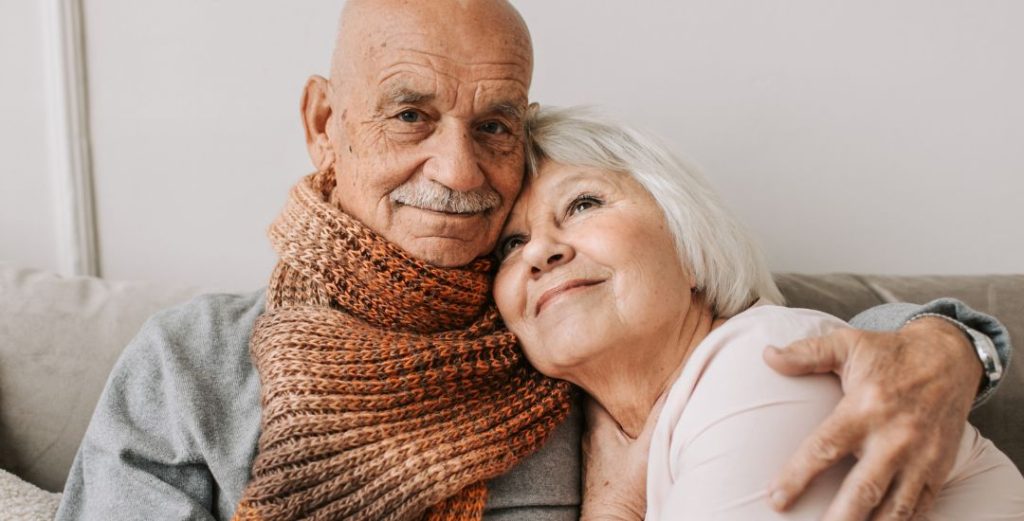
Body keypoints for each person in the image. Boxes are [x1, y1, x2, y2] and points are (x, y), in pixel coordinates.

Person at [55, 1, 1012, 520]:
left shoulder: (556, 333)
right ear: (322, 124)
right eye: (410, 114)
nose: (457, 168)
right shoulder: (192, 364)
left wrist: (944, 344)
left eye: (495, 125)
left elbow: (781, 348)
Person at [492, 106, 1024, 520]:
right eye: (512, 244)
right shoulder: (627, 432)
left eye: (583, 204)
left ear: (688, 241)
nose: (540, 251)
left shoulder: (766, 365)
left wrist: (613, 512)